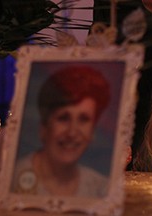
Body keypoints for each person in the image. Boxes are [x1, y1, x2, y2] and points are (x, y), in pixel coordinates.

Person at [12, 66, 111, 197]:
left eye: (84, 119)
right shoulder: (13, 179)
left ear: (92, 131)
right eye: (63, 118)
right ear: (44, 126)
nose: (72, 133)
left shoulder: (100, 188)